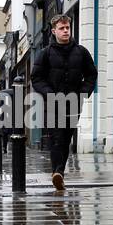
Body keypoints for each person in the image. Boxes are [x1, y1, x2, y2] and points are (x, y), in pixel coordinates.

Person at [31, 13, 97, 191]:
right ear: (54, 31)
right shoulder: (45, 53)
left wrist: (83, 93)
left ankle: (58, 174)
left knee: (66, 137)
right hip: (52, 103)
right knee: (56, 138)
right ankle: (57, 172)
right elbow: (36, 78)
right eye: (62, 28)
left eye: (67, 27)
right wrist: (49, 93)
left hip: (73, 103)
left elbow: (92, 74)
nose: (66, 31)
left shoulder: (81, 52)